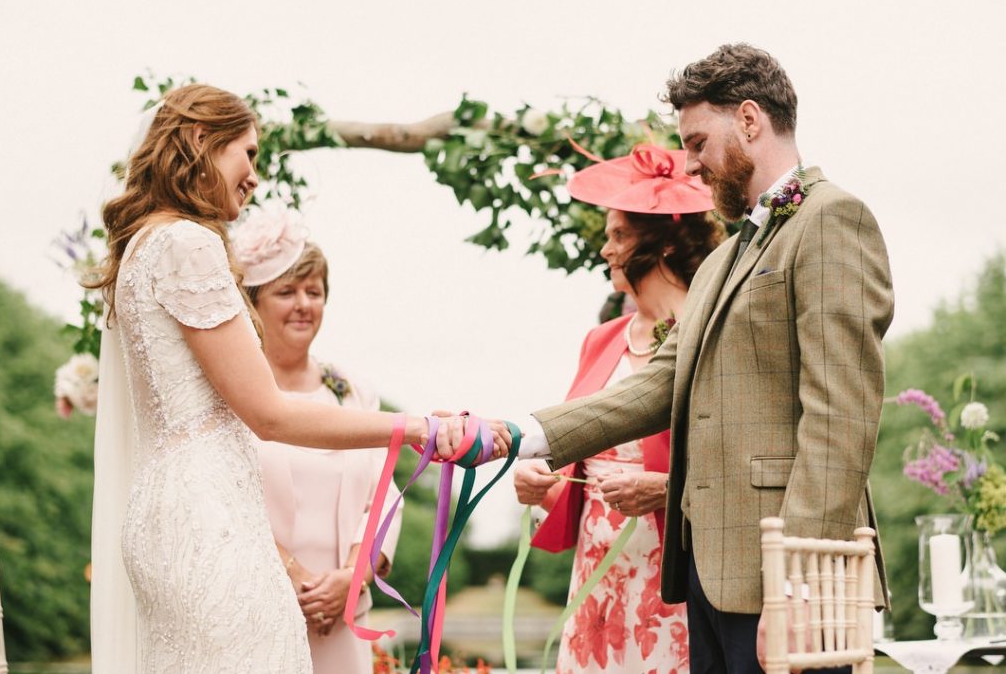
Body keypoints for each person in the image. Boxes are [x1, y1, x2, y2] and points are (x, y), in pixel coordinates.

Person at [87, 84, 510, 673]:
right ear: (201, 144)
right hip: (211, 520)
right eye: (249, 154)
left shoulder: (141, 247)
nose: (255, 176)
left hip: (168, 510)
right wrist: (417, 428)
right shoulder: (188, 242)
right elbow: (270, 413)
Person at [517, 44, 894, 674]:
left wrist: (794, 585)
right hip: (706, 575)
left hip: (787, 577)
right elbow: (661, 385)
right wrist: (521, 435)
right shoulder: (724, 258)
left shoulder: (832, 220)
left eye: (696, 142)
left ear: (750, 120)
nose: (689, 165)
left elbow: (841, 417)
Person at [513, 143, 722, 673]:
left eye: (619, 235)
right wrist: (544, 483)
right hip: (597, 575)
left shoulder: (712, 335)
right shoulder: (601, 340)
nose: (606, 251)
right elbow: (583, 460)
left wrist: (664, 488)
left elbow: (733, 461)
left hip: (675, 576)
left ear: (665, 242)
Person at [233, 206, 403, 673]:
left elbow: (383, 493)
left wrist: (353, 576)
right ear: (253, 302)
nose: (304, 303)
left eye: (315, 291)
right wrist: (300, 581)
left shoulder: (352, 388)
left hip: (344, 616)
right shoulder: (234, 393)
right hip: (260, 610)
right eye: (286, 291)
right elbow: (227, 501)